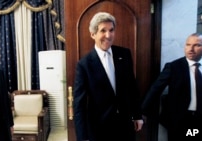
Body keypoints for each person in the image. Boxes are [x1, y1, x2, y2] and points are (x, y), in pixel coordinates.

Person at [73, 12, 144, 141]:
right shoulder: (84, 65)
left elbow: (132, 87)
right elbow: (79, 105)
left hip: (125, 126)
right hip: (99, 129)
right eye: (103, 31)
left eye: (111, 30)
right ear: (93, 34)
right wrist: (82, 137)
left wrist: (137, 115)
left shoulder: (124, 54)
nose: (108, 35)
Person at [141, 33, 202, 141]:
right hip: (180, 120)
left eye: (197, 45)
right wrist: (141, 112)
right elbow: (155, 89)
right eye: (188, 45)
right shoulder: (174, 67)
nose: (191, 49)